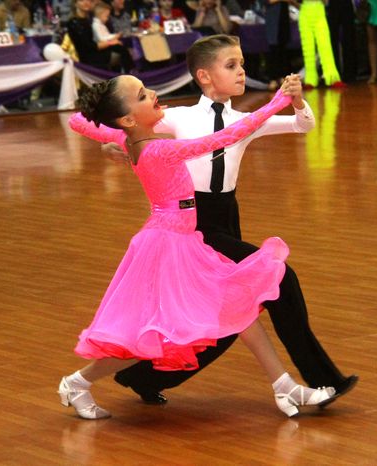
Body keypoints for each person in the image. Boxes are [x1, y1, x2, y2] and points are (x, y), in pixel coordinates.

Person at [60, 77, 337, 420]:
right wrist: (277, 101)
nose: (154, 94)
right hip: (171, 246)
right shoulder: (159, 150)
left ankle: (285, 387)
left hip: (182, 239)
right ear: (129, 118)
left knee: (237, 309)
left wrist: (110, 138)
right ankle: (77, 382)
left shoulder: (128, 138)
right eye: (143, 95)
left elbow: (78, 121)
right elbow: (224, 138)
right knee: (152, 336)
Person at [106, 34, 358, 407]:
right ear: (204, 76)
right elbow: (130, 126)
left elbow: (302, 125)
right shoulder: (179, 117)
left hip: (227, 217)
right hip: (194, 224)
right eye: (231, 65)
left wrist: (298, 101)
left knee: (223, 323)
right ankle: (325, 379)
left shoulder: (245, 121)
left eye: (241, 64)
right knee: (281, 279)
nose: (241, 71)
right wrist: (114, 143)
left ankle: (143, 378)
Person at [68, 0, 132, 71]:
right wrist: (110, 43)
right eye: (82, 0)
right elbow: (89, 46)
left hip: (94, 51)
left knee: (121, 47)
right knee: (121, 50)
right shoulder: (74, 22)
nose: (86, 2)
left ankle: (128, 72)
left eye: (88, 0)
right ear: (75, 3)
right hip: (89, 57)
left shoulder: (87, 19)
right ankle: (130, 72)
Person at [298, 0, 344, 88]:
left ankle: (332, 78)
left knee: (325, 46)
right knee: (307, 48)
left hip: (318, 10)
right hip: (304, 10)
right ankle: (310, 80)